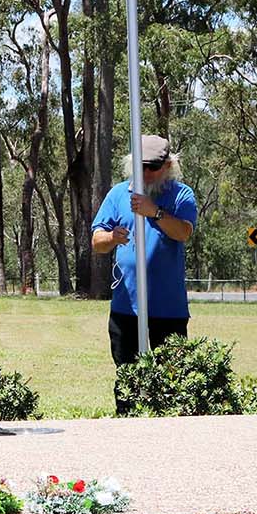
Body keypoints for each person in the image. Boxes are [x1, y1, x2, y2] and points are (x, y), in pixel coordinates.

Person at [90, 134, 197, 414]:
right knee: (128, 379)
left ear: (168, 166)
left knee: (173, 380)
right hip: (126, 308)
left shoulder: (181, 195)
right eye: (141, 167)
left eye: (153, 167)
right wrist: (112, 237)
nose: (146, 174)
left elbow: (184, 232)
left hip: (168, 309)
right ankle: (128, 427)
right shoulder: (117, 195)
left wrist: (155, 212)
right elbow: (97, 242)